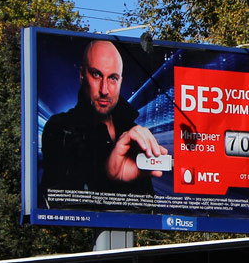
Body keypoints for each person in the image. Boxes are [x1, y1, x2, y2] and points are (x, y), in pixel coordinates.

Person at [40, 39, 168, 201]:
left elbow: (148, 206)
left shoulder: (135, 133)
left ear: (120, 81)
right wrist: (108, 173)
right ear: (81, 75)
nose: (104, 90)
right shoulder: (60, 128)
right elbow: (56, 200)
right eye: (96, 75)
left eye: (112, 78)